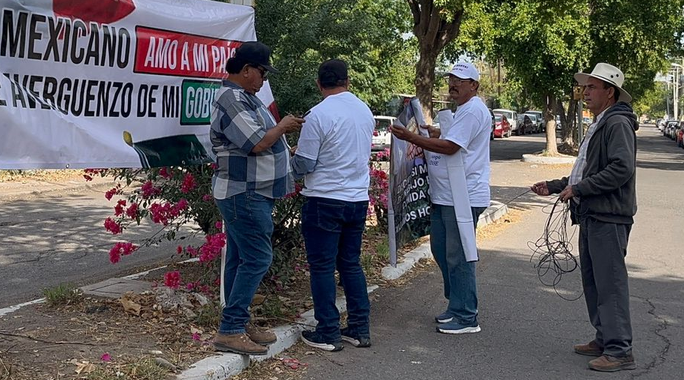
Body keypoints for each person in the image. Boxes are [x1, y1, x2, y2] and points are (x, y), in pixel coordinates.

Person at [532, 63, 639, 373]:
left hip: (609, 216)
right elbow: (586, 170)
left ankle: (620, 350)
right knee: (593, 282)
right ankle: (605, 338)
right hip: (593, 214)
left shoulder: (617, 123)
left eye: (593, 87)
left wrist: (580, 188)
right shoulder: (602, 122)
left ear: (610, 92)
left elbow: (621, 169)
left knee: (610, 284)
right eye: (586, 86)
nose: (586, 92)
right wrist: (555, 186)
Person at [209, 41, 304, 355]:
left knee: (240, 259)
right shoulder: (231, 98)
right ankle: (231, 328)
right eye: (261, 72)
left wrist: (285, 149)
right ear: (246, 69)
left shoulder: (247, 98)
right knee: (259, 258)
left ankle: (239, 320)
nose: (263, 79)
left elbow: (264, 144)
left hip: (252, 193)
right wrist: (283, 127)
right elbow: (256, 143)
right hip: (243, 193)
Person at [391, 62, 492, 334]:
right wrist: (434, 133)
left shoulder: (472, 111)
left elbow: (450, 147)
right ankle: (457, 303)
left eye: (460, 80)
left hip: (463, 196)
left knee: (458, 256)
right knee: (441, 250)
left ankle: (466, 315)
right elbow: (452, 140)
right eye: (451, 79)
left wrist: (413, 137)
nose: (453, 84)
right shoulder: (462, 111)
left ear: (474, 85)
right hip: (447, 195)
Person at [292, 59, 375, 352]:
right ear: (347, 82)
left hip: (324, 199)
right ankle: (359, 328)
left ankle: (327, 331)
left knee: (322, 267)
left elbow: (305, 163)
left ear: (319, 84)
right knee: (350, 264)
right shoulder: (364, 111)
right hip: (356, 198)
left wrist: (290, 159)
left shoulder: (317, 114)